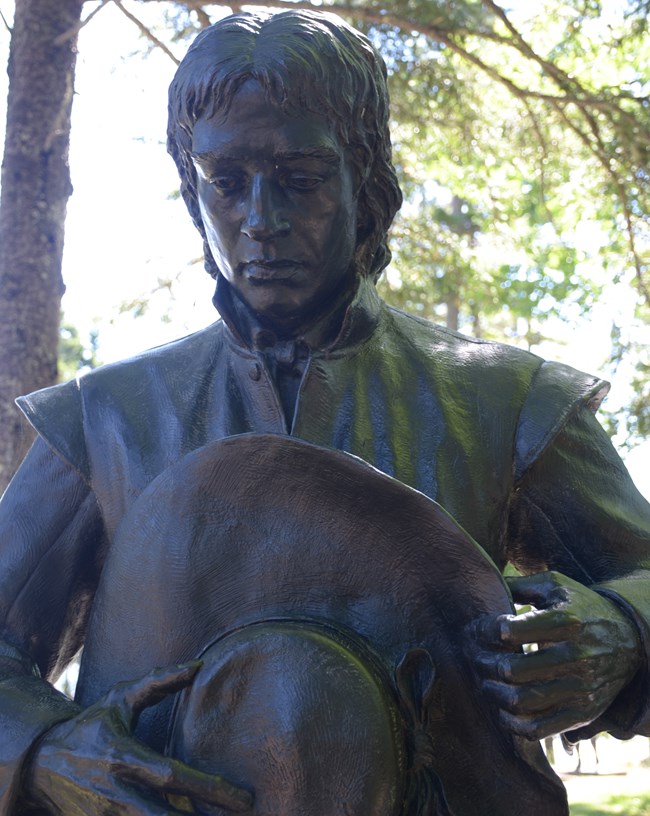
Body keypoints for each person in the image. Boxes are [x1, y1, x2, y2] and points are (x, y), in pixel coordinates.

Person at [0, 8, 648, 815]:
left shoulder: (509, 401)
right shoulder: (103, 422)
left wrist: (626, 630)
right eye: (225, 182)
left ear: (367, 178)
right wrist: (41, 749)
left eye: (300, 178)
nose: (260, 222)